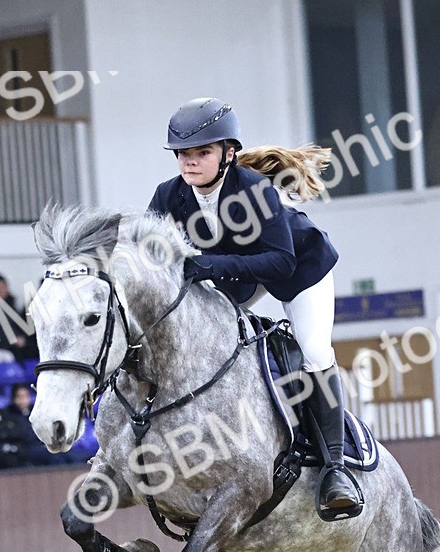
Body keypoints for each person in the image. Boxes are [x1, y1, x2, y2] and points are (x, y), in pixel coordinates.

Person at [147, 96, 361, 520]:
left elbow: (281, 261)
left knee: (314, 351)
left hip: (301, 270)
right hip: (241, 278)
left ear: (228, 154)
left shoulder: (254, 189)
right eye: (183, 154)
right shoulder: (167, 196)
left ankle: (336, 469)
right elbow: (153, 257)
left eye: (202, 152)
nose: (190, 163)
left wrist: (207, 264)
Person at [3, 383, 71, 466]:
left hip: (39, 444)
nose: (23, 400)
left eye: (26, 396)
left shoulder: (36, 411)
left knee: (65, 453)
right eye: (19, 397)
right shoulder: (8, 414)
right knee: (52, 456)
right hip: (24, 448)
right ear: (13, 399)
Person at [0, 273, 37, 363]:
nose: (1, 290)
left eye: (3, 287)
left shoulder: (12, 307)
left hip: (19, 345)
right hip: (4, 346)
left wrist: (23, 339)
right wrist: (11, 340)